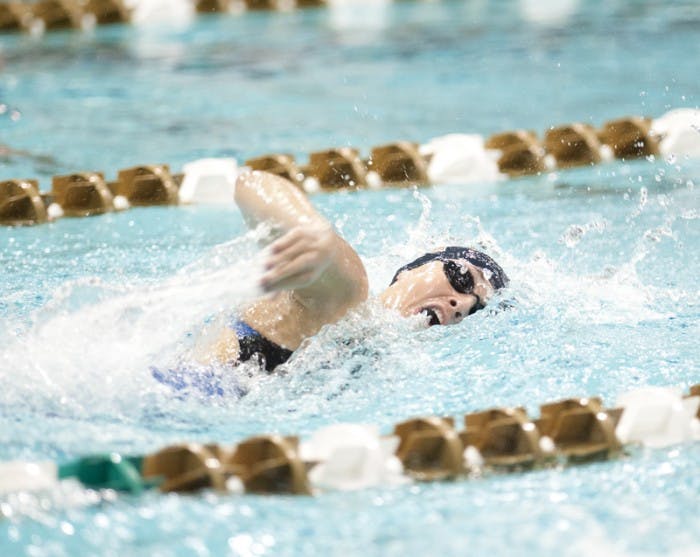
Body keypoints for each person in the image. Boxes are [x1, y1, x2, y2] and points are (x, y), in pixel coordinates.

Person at [205, 170, 509, 372]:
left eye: (476, 310)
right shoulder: (347, 296)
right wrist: (309, 228)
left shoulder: (373, 356)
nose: (462, 305)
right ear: (412, 269)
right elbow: (251, 183)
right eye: (461, 277)